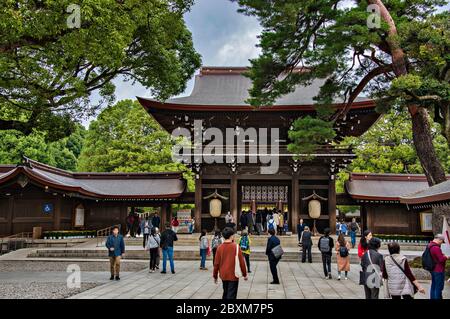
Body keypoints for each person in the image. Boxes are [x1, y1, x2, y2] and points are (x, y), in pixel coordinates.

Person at [213, 227, 248, 299]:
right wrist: (244, 274)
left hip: (223, 274)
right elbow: (242, 262)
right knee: (231, 295)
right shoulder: (236, 247)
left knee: (225, 292)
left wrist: (215, 276)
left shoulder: (219, 247)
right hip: (233, 274)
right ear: (232, 236)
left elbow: (216, 263)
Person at [428, 234, 449, 299]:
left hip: (433, 269)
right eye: (442, 241)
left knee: (434, 286)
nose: (442, 243)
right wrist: (446, 257)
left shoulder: (429, 245)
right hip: (438, 270)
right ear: (439, 239)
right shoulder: (436, 247)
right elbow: (441, 259)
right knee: (438, 288)